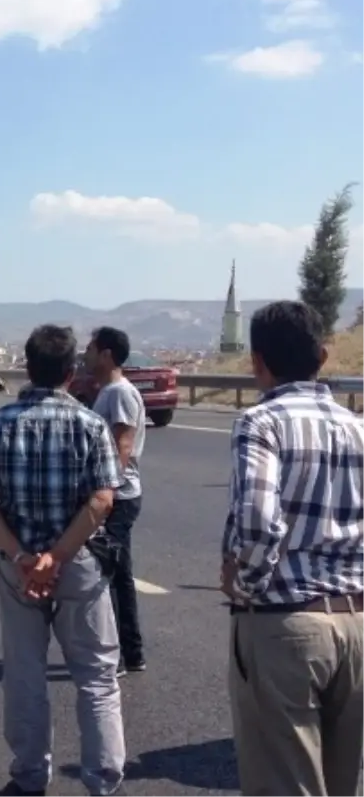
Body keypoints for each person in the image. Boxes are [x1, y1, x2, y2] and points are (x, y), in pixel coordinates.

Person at [0, 323, 126, 797]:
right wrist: (56, 557)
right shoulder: (91, 425)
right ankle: (103, 783)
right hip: (78, 564)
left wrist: (23, 557)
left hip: (17, 566)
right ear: (71, 372)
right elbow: (101, 501)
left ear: (28, 369)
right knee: (97, 676)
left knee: (24, 673)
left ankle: (30, 777)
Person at [221, 300, 364, 797]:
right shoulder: (358, 427)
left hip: (286, 621)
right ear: (323, 355)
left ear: (257, 361)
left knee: (285, 782)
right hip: (356, 622)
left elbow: (258, 525)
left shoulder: (260, 423)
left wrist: (247, 586)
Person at [85, 326, 147, 675]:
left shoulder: (119, 393)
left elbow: (123, 445)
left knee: (106, 572)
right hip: (119, 494)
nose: (86, 353)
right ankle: (131, 652)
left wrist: (105, 492)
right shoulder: (109, 391)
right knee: (119, 573)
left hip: (119, 497)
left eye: (91, 347)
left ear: (106, 353)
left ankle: (121, 655)